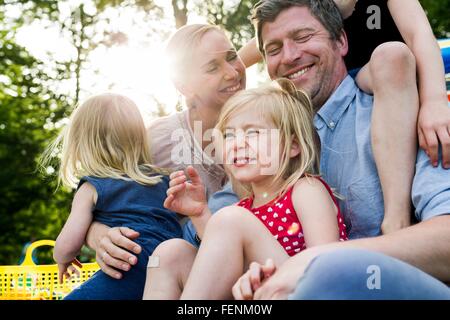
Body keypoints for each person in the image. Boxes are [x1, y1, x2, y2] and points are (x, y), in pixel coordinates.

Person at [232, 0, 450, 300]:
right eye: (273, 49)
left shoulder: (408, 116)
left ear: (341, 40)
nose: (290, 56)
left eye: (303, 37)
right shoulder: (270, 145)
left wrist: (320, 261)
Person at [78, 24, 246, 296]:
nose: (232, 71)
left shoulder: (270, 120)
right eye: (212, 67)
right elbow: (98, 194)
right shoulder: (159, 139)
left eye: (231, 56)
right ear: (184, 86)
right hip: (180, 279)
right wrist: (98, 235)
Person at [143, 78, 348, 299]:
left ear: (293, 145)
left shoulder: (305, 189)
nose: (237, 143)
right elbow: (219, 264)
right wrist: (200, 214)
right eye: (229, 135)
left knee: (231, 218)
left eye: (253, 133)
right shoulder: (243, 209)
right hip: (252, 295)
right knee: (171, 253)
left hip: (306, 291)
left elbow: (325, 263)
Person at [40, 93, 183, 298]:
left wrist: (62, 258)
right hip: (170, 266)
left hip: (127, 262)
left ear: (83, 144)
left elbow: (67, 246)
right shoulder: (162, 179)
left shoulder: (92, 186)